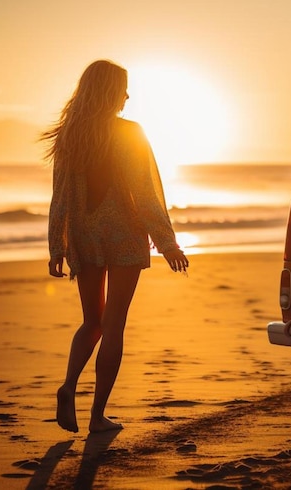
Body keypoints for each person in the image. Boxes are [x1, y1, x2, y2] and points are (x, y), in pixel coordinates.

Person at [42, 59, 189, 434]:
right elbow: (145, 192)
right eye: (123, 87)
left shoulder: (69, 136)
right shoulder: (129, 132)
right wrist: (167, 242)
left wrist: (56, 246)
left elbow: (59, 196)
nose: (127, 95)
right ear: (109, 91)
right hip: (123, 234)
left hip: (84, 235)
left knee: (92, 321)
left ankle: (68, 386)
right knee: (114, 325)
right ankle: (96, 417)